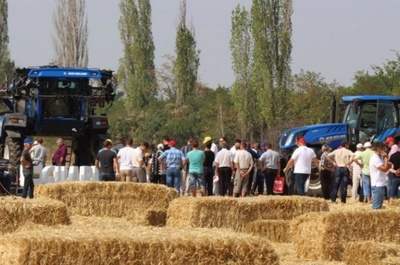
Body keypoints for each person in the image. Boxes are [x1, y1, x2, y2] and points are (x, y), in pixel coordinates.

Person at [369, 142, 391, 210]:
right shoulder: (375, 159)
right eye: (384, 148)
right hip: (377, 184)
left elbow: (387, 166)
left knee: (379, 206)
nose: (385, 150)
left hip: (380, 184)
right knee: (376, 207)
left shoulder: (379, 157)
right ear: (380, 149)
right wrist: (386, 158)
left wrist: (386, 161)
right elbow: (385, 168)